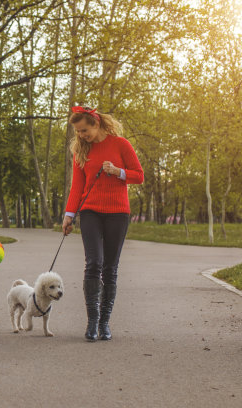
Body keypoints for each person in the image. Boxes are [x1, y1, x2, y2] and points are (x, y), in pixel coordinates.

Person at [62, 106, 144, 341]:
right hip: (90, 211)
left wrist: (118, 171)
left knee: (110, 267)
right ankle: (92, 322)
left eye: (84, 130)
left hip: (118, 212)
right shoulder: (81, 151)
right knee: (93, 263)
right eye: (77, 131)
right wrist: (69, 214)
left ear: (96, 124)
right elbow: (77, 186)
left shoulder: (121, 145)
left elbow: (139, 175)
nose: (81, 135)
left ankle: (105, 323)